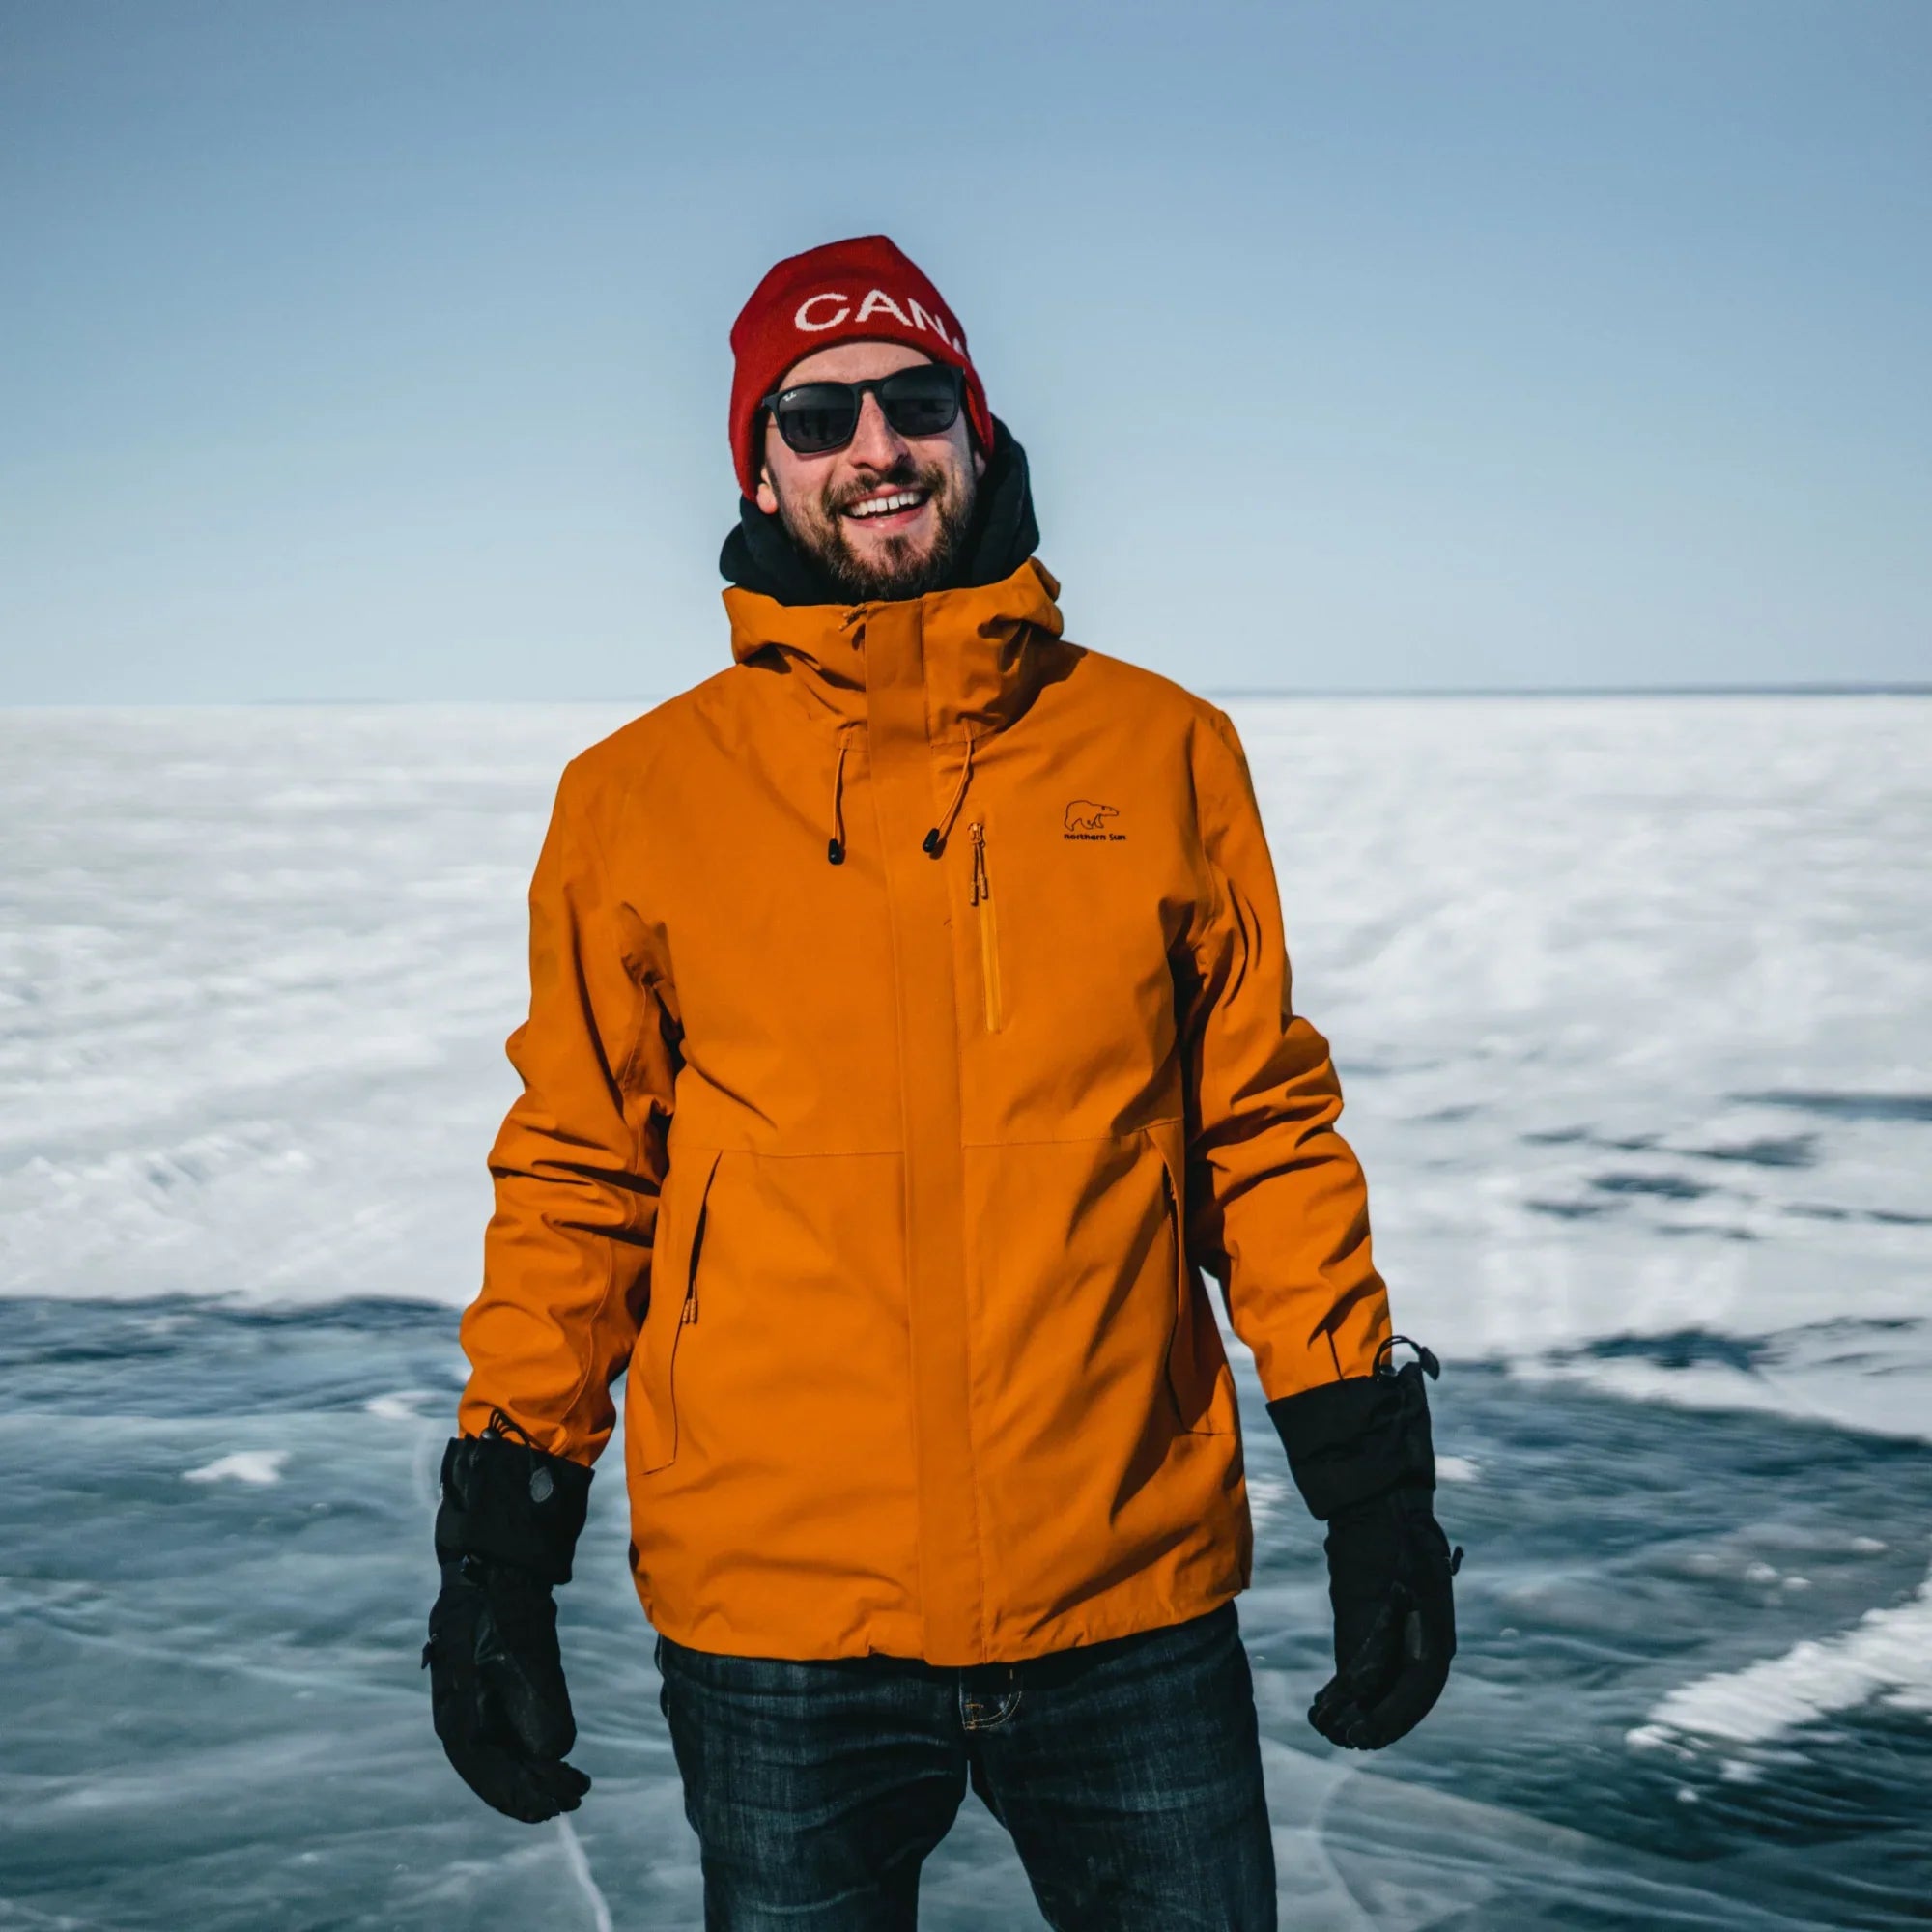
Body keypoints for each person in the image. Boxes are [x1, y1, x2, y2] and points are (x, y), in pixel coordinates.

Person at [423, 234, 1462, 1931]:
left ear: (978, 432)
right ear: (761, 466)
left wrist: (1373, 1486)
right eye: (817, 416)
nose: (873, 448)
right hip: (779, 1629)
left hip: (1125, 1596)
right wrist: (500, 1541)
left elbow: (1260, 1132)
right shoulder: (637, 795)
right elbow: (579, 1175)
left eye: (915, 402)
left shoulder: (1161, 749)